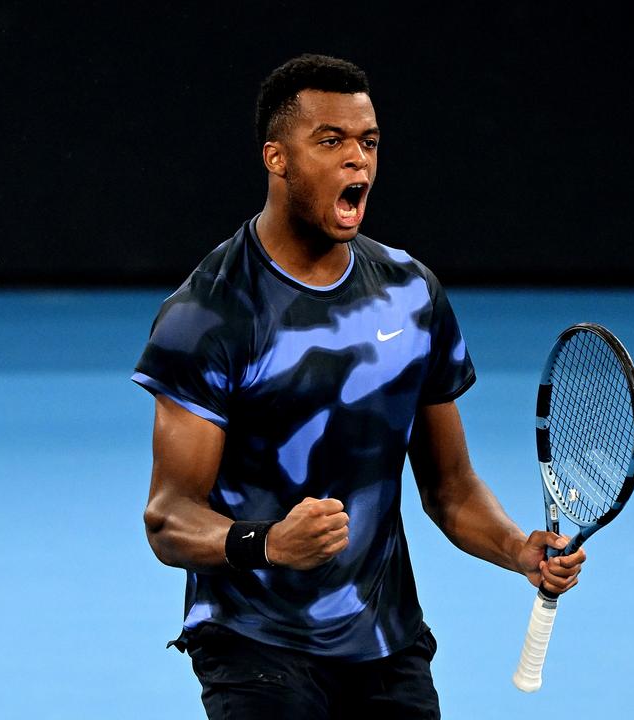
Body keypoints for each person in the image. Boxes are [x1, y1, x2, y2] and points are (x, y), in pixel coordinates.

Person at [132, 53, 585, 719]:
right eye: (331, 141)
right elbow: (169, 519)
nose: (358, 162)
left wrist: (517, 548)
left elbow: (450, 489)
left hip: (384, 641)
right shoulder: (210, 315)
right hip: (253, 641)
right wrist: (268, 543)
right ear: (276, 158)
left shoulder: (411, 295)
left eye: (368, 142)